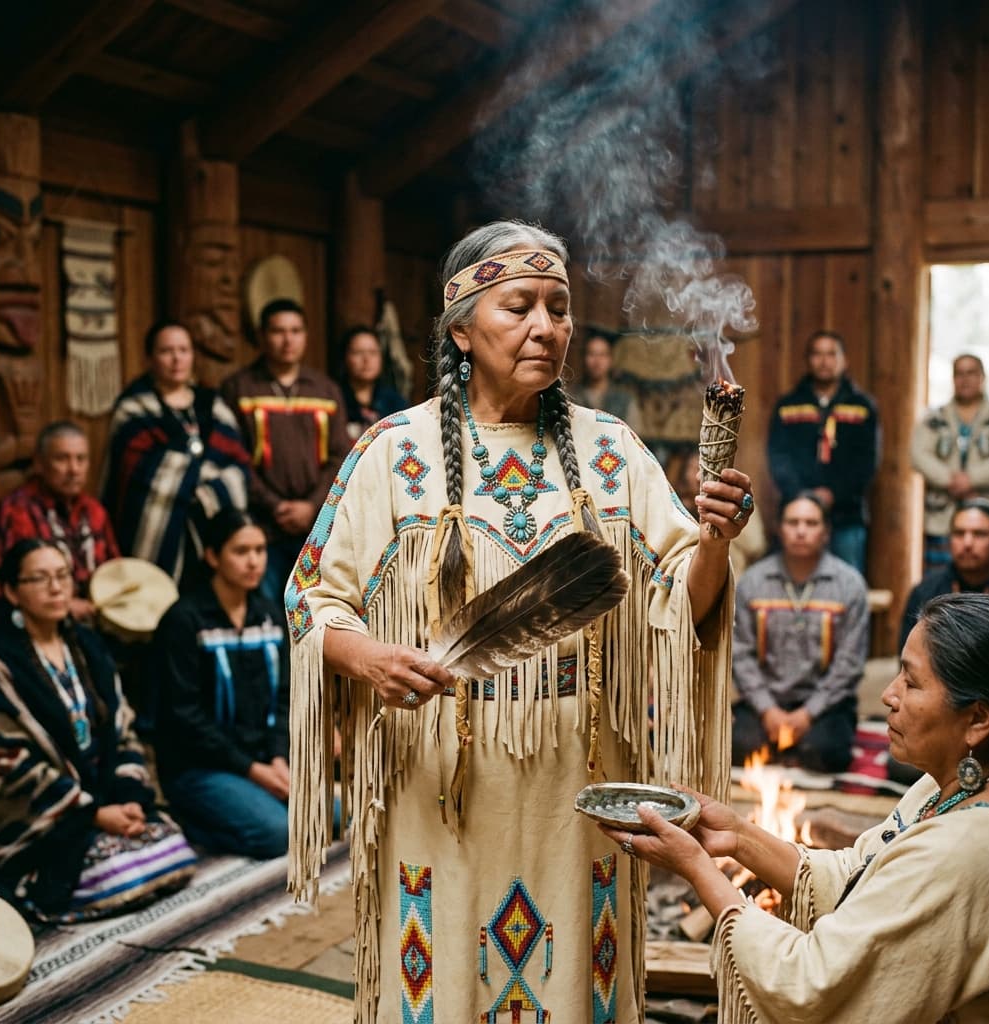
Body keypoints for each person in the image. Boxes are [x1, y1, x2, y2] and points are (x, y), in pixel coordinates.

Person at [285, 220, 756, 1022]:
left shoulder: (612, 451)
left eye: (559, 307)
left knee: (574, 974)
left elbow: (682, 603)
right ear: (461, 329)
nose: (547, 326)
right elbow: (309, 602)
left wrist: (713, 539)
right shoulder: (393, 453)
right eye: (519, 306)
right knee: (442, 984)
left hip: (576, 778)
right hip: (440, 783)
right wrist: (367, 659)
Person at [601, 592, 989, 1023]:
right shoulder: (946, 788)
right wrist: (738, 835)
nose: (888, 694)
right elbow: (858, 872)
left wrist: (699, 869)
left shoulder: (962, 852)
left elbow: (813, 982)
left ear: (978, 719)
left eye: (911, 682)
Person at [0, 539, 196, 923]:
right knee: (117, 868)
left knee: (173, 847)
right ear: (10, 591)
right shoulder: (0, 662)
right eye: (39, 578)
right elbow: (6, 761)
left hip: (105, 797)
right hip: (44, 819)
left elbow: (122, 726)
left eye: (62, 576)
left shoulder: (87, 644)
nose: (56, 588)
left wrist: (129, 795)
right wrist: (91, 814)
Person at [151, 509, 291, 859]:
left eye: (260, 550)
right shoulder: (184, 621)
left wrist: (277, 757)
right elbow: (184, 715)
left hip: (262, 758)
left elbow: (284, 698)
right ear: (212, 556)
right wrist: (253, 771)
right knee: (279, 834)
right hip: (200, 766)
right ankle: (185, 820)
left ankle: (250, 802)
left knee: (333, 816)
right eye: (240, 551)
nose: (253, 562)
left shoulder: (269, 615)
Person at [99, 319, 250, 588]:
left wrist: (190, 483)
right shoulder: (134, 409)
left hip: (211, 529)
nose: (176, 359)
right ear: (150, 358)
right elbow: (138, 474)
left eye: (184, 350)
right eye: (166, 351)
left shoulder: (212, 404)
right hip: (157, 532)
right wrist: (201, 478)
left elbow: (237, 464)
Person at [221, 299, 351, 603]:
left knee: (313, 607)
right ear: (262, 336)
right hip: (260, 526)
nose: (287, 339)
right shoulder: (239, 388)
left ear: (305, 336)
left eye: (295, 331)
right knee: (265, 609)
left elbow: (340, 456)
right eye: (278, 331)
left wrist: (311, 505)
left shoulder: (325, 390)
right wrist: (274, 505)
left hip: (316, 525)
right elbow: (232, 456)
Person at [732, 492, 869, 774]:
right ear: (780, 529)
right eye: (793, 522)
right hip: (766, 702)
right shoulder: (753, 582)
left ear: (826, 532)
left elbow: (849, 663)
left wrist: (807, 715)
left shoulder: (850, 585)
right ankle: (786, 744)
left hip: (823, 706)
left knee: (829, 752)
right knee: (738, 746)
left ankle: (791, 745)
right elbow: (740, 653)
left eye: (811, 523)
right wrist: (768, 710)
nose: (801, 531)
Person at [767, 330, 880, 575]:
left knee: (847, 582)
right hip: (797, 514)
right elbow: (778, 457)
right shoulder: (788, 405)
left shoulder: (863, 407)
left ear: (844, 360)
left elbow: (867, 462)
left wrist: (833, 494)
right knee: (792, 580)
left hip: (846, 516)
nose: (824, 361)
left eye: (831, 354)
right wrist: (804, 496)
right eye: (817, 354)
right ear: (808, 360)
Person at [0, 421, 120, 623]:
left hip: (96, 617)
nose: (74, 469)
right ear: (39, 464)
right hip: (39, 622)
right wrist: (66, 604)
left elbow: (115, 569)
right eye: (62, 459)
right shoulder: (18, 510)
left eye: (81, 459)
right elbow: (9, 584)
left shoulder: (94, 510)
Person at [910, 354, 989, 572]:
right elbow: (919, 455)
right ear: (953, 379)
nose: (965, 379)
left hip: (987, 513)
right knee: (940, 582)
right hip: (941, 517)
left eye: (971, 372)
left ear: (982, 377)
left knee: (987, 583)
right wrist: (950, 480)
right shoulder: (935, 417)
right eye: (959, 373)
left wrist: (972, 480)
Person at [897, 498, 989, 654]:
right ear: (949, 540)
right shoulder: (926, 591)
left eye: (979, 534)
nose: (967, 543)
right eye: (959, 533)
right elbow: (907, 660)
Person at [669, 446, 766, 579]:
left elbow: (756, 546)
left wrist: (734, 519)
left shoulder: (735, 503)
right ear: (684, 476)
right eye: (695, 468)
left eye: (708, 468)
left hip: (734, 587)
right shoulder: (677, 509)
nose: (701, 475)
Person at [336, 324, 408, 442]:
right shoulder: (336, 399)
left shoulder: (394, 403)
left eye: (373, 352)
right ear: (345, 358)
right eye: (358, 352)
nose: (366, 360)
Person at [567, 326, 643, 432]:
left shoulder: (625, 400)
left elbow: (634, 439)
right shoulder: (571, 397)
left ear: (610, 359)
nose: (597, 361)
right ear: (584, 359)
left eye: (602, 355)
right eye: (591, 354)